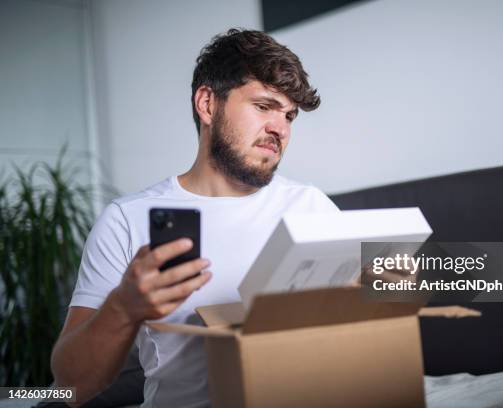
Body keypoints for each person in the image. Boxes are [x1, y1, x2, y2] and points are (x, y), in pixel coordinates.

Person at [50, 28, 339, 407]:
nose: (280, 129)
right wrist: (124, 307)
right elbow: (68, 387)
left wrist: (392, 278)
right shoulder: (127, 220)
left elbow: (388, 294)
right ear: (207, 104)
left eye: (289, 115)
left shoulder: (310, 205)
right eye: (264, 106)